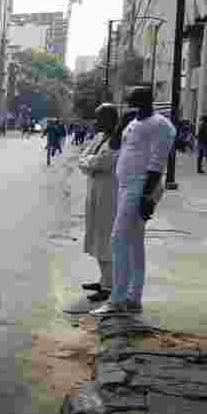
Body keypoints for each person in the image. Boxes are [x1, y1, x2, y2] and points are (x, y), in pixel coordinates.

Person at [91, 87, 176, 317]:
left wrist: (147, 197)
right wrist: (123, 123)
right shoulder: (132, 123)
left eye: (133, 101)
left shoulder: (161, 125)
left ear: (146, 102)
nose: (129, 105)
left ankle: (117, 299)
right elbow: (116, 145)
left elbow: (157, 164)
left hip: (140, 187)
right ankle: (132, 298)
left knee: (118, 239)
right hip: (126, 186)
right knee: (133, 242)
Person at [77, 107, 122, 303]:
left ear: (110, 120)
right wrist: (90, 162)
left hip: (109, 194)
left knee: (105, 238)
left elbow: (101, 163)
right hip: (95, 191)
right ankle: (103, 279)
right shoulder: (99, 137)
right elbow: (83, 159)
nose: (96, 121)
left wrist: (89, 163)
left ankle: (109, 286)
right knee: (96, 236)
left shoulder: (117, 141)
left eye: (100, 118)